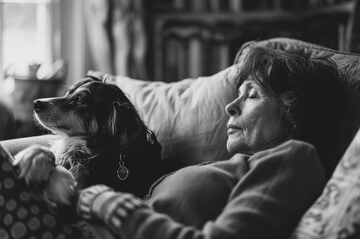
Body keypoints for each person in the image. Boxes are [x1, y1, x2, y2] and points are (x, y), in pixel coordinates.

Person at [75, 42, 346, 239]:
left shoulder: (295, 159)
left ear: (293, 111)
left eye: (251, 95)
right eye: (237, 94)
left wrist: (108, 204)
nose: (230, 106)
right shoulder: (229, 167)